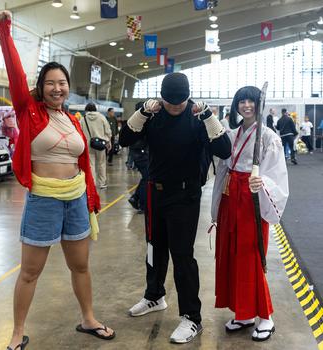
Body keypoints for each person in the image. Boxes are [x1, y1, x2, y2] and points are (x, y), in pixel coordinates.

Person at [0, 10, 115, 350]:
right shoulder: (28, 111)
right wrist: (5, 31)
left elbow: (84, 166)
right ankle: (17, 332)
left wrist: (91, 200)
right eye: (50, 83)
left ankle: (88, 318)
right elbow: (16, 75)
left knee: (81, 266)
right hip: (43, 199)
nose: (57, 88)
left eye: (62, 83)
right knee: (30, 272)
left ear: (67, 88)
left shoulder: (74, 120)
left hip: (75, 198)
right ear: (41, 88)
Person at [119, 72, 231, 344]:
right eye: (169, 102)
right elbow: (124, 140)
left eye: (179, 102)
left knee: (182, 257)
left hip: (185, 196)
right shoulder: (154, 114)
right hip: (155, 192)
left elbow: (225, 150)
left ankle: (192, 318)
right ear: (162, 97)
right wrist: (143, 112)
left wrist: (208, 117)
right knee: (154, 248)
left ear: (188, 97)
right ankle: (154, 296)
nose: (174, 107)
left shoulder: (197, 117)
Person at [211, 86, 289, 342]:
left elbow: (276, 174)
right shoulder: (232, 134)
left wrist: (262, 182)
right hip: (229, 199)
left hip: (250, 203)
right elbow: (222, 167)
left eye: (251, 101)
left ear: (259, 104)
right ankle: (243, 312)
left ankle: (265, 316)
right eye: (241, 101)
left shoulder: (268, 137)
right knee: (231, 254)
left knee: (251, 256)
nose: (246, 106)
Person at [80, 103, 112, 189]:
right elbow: (108, 131)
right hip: (101, 144)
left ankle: (92, 183)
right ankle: (102, 184)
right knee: (101, 164)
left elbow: (80, 132)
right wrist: (108, 142)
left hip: (88, 145)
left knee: (91, 165)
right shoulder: (102, 117)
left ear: (86, 109)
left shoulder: (83, 119)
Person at [127, 102, 149, 214]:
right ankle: (142, 203)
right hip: (141, 154)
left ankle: (135, 198)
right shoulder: (139, 121)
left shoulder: (134, 120)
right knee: (148, 178)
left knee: (146, 177)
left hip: (138, 153)